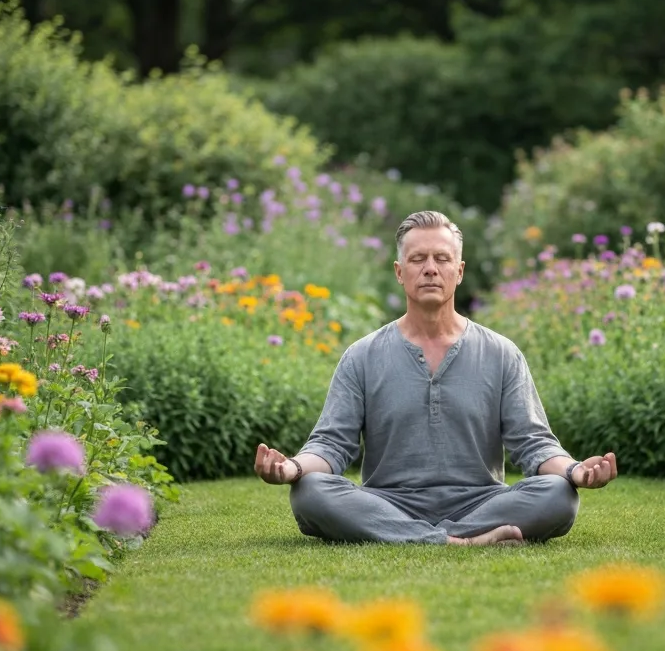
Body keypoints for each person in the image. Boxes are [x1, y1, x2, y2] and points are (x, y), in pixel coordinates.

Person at [254, 210, 617, 546]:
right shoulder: (362, 355)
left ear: (458, 271)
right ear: (400, 271)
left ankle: (416, 536)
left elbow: (534, 444)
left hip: (481, 502)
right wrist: (293, 467)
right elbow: (331, 445)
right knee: (309, 491)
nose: (430, 269)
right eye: (418, 259)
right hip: (388, 502)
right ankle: (460, 540)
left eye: (442, 259)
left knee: (558, 493)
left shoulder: (502, 353)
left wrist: (574, 471)